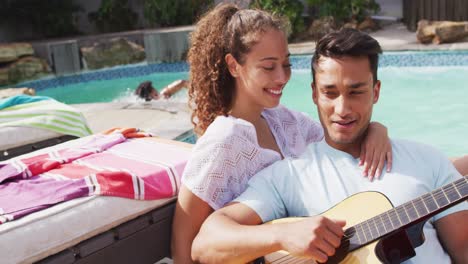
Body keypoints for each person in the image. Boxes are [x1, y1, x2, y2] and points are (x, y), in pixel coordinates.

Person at [191, 28, 468, 264]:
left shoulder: (427, 160)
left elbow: (463, 248)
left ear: (376, 91)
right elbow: (205, 244)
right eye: (330, 92)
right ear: (314, 93)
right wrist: (282, 235)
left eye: (356, 92)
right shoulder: (290, 176)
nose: (342, 109)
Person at [171, 4, 395, 263]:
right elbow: (183, 245)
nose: (281, 77)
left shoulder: (285, 122)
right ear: (234, 66)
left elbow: (341, 136)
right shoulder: (223, 140)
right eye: (268, 67)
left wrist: (376, 129)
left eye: (286, 64)